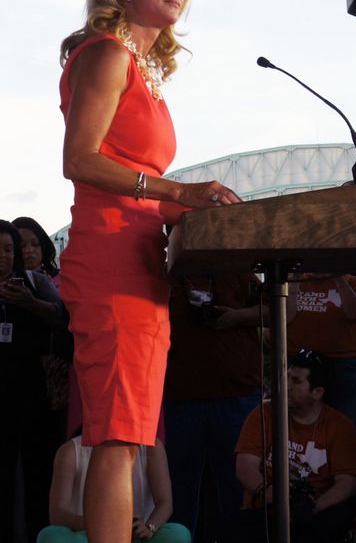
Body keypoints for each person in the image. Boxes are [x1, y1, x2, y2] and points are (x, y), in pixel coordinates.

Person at [58, 0, 241, 542]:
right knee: (116, 437)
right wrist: (178, 191)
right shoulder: (106, 53)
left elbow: (150, 191)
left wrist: (200, 209)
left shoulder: (143, 72)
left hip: (143, 262)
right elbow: (81, 160)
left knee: (132, 435)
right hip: (110, 258)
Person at [163, 273, 269, 538]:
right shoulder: (165, 276)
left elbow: (275, 310)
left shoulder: (238, 268)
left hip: (237, 394)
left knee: (237, 486)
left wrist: (237, 316)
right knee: (179, 488)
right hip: (180, 398)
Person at [228, 350, 356, 543]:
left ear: (317, 392)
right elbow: (244, 467)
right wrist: (268, 493)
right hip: (264, 512)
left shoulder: (339, 425)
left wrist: (312, 506)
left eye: (296, 381)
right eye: (287, 377)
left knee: (334, 521)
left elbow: (347, 484)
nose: (287, 386)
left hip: (315, 513)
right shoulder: (264, 413)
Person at [0, 220, 69, 541]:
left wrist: (28, 303)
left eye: (8, 249)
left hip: (34, 395)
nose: (3, 256)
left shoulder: (35, 281)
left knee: (38, 471)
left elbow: (62, 316)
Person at [39, 435, 191, 543]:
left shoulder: (151, 447)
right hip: (86, 536)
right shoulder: (71, 451)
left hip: (136, 536)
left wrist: (149, 528)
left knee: (178, 534)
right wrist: (100, 526)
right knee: (51, 536)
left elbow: (165, 503)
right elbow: (58, 514)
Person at [288, 272, 356, 430]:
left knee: (346, 422)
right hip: (301, 363)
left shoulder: (354, 282)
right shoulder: (295, 281)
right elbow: (286, 316)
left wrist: (338, 275)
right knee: (298, 421)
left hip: (343, 362)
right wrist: (295, 279)